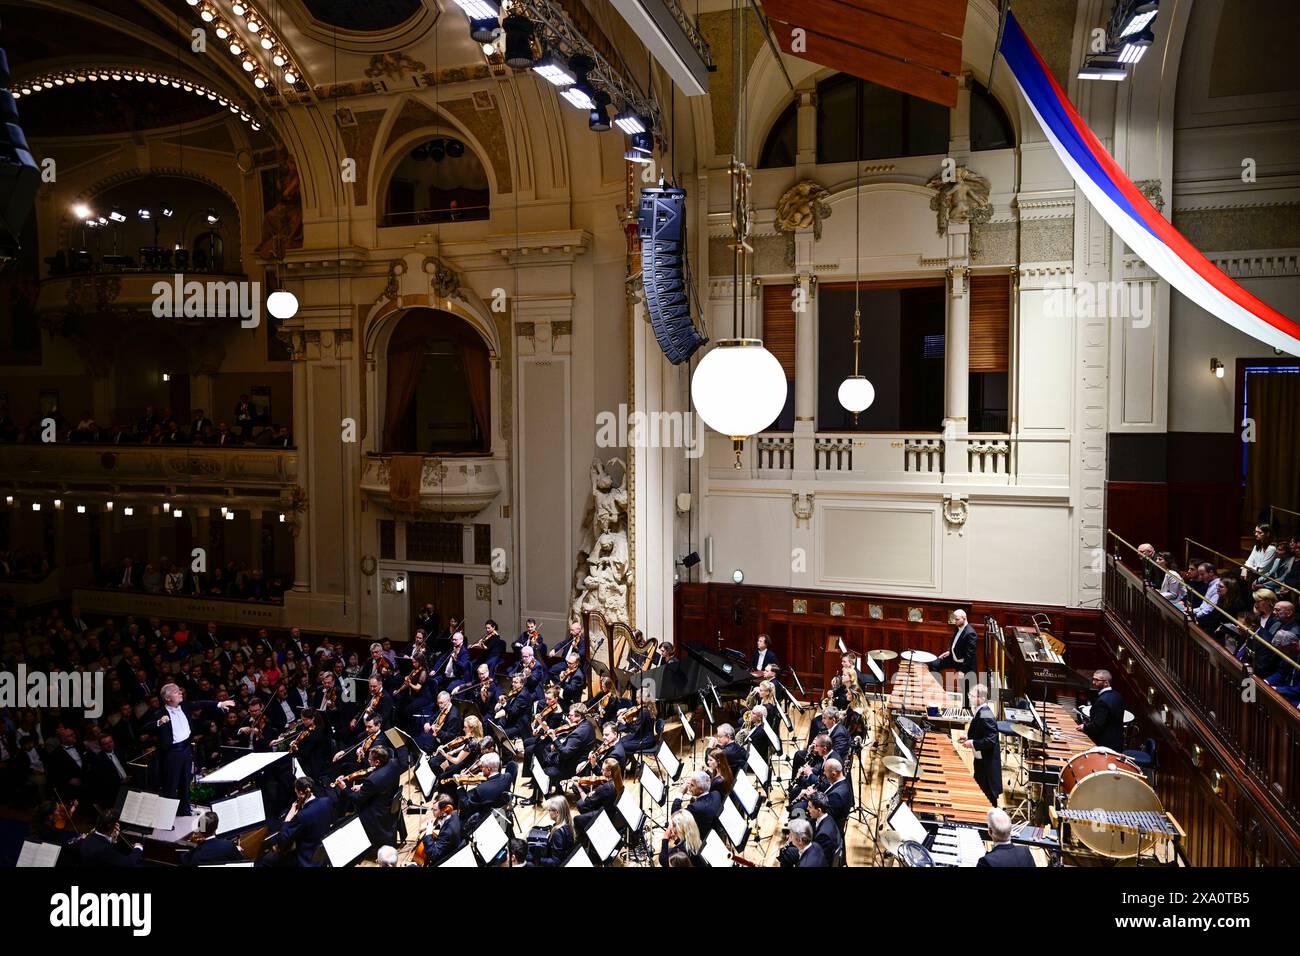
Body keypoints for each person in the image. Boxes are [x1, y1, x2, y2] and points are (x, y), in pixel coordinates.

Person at [145, 682, 234, 817]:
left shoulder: (185, 706)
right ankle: (166, 818)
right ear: (168, 698)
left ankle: (184, 810)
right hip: (172, 754)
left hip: (186, 749)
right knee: (171, 786)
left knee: (185, 782)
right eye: (176, 692)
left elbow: (201, 704)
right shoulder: (159, 713)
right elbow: (144, 728)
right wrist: (159, 723)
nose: (180, 692)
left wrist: (219, 704)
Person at [273, 777, 334, 867]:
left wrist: (289, 816)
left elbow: (283, 841)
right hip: (324, 854)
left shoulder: (302, 815)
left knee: (267, 861)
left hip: (308, 860)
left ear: (301, 793)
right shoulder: (326, 801)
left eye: (296, 792)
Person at [958, 684, 1002, 805]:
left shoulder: (985, 714)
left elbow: (991, 740)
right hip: (980, 760)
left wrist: (972, 742)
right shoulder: (981, 711)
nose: (970, 698)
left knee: (988, 796)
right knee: (980, 792)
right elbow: (982, 732)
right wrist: (968, 738)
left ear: (981, 698)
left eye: (972, 696)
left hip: (986, 764)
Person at [1078, 669, 1125, 752]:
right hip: (1117, 742)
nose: (1093, 682)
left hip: (1104, 745)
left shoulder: (1102, 701)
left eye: (1097, 680)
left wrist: (1084, 727)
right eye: (1093, 679)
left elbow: (1097, 726)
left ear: (1106, 683)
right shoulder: (1118, 695)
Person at [77, 811, 143, 867]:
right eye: (115, 824)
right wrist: (138, 848)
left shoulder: (90, 836)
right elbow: (129, 863)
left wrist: (111, 838)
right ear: (112, 827)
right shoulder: (103, 849)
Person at [528, 795, 575, 866]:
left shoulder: (558, 833)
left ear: (557, 812)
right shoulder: (568, 823)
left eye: (549, 810)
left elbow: (555, 862)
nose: (548, 812)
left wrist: (535, 859)